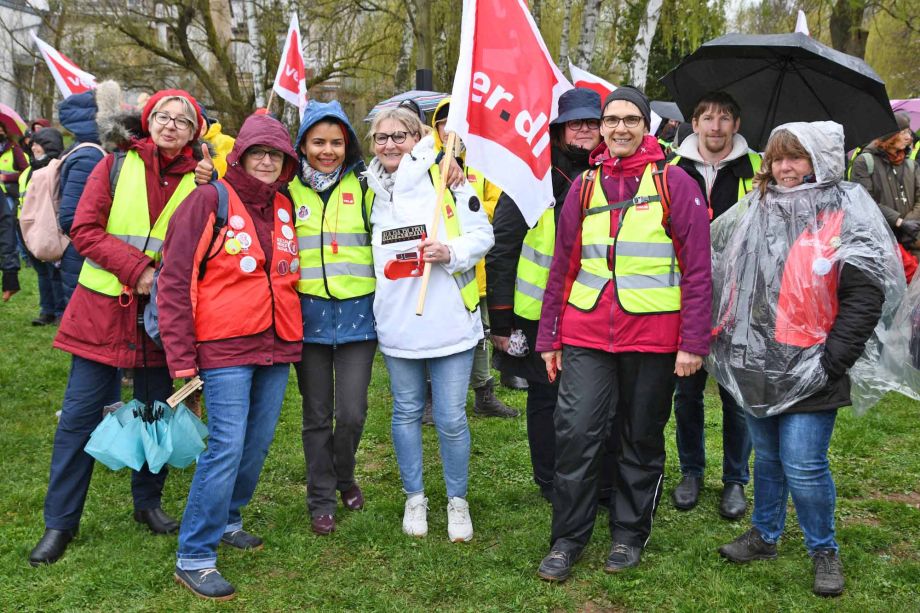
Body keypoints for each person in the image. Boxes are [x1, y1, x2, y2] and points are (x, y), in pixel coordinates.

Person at [709, 121, 900, 598]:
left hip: (815, 363)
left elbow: (865, 292)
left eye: (796, 157)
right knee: (768, 459)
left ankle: (823, 549)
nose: (784, 168)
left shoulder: (846, 208)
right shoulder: (757, 208)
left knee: (804, 464)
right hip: (757, 359)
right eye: (777, 158)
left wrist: (833, 360)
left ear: (820, 161)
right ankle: (765, 534)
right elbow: (727, 269)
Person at [534, 87, 711, 581]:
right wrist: (550, 337)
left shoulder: (676, 183)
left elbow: (698, 271)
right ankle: (567, 540)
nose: (619, 129)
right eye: (611, 120)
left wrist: (693, 343)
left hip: (653, 337)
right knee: (575, 435)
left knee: (640, 438)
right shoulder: (584, 186)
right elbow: (561, 267)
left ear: (646, 125)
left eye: (631, 120)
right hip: (587, 332)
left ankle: (628, 535)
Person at [29, 89, 206, 567]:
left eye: (183, 120)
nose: (172, 126)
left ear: (195, 132)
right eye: (163, 117)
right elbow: (84, 229)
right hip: (103, 311)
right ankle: (60, 522)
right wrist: (140, 270)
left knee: (154, 411)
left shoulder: (203, 181)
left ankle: (147, 503)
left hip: (159, 319)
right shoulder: (114, 164)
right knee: (80, 417)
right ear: (148, 122)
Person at [158, 113, 301, 601]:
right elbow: (174, 282)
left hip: (276, 345)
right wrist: (181, 359)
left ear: (286, 162)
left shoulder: (283, 204)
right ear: (238, 155)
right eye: (258, 151)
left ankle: (227, 519)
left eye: (276, 154)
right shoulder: (207, 199)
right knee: (224, 447)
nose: (266, 160)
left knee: (256, 445)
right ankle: (194, 555)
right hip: (222, 349)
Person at [365, 107, 493, 542]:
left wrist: (451, 252)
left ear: (418, 135)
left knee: (452, 417)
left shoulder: (449, 177)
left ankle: (457, 501)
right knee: (404, 413)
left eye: (399, 136)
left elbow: (483, 235)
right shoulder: (368, 189)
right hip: (398, 323)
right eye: (381, 138)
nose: (389, 145)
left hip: (449, 320)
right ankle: (414, 496)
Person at [487, 87, 606, 501]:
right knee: (546, 398)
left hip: (597, 309)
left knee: (594, 400)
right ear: (559, 131)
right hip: (540, 313)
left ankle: (593, 477)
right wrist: (501, 321)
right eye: (577, 124)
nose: (586, 131)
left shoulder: (613, 172)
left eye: (593, 122)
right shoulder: (532, 180)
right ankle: (549, 479)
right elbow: (502, 249)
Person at [667, 91, 761, 518]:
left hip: (739, 301)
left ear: (736, 125)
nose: (716, 126)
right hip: (685, 299)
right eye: (707, 117)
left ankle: (735, 480)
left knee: (735, 396)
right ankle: (691, 471)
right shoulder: (671, 171)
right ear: (694, 123)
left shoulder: (757, 170)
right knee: (686, 392)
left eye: (725, 117)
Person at [287, 99, 376, 536]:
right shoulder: (286, 190)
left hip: (360, 317)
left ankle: (345, 474)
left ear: (348, 144)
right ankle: (321, 496)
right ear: (302, 144)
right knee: (316, 415)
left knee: (353, 413)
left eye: (336, 142)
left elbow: (415, 180)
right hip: (308, 320)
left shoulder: (366, 183)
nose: (328, 150)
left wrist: (447, 166)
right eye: (318, 141)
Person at [431, 98, 518, 418]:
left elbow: (496, 209)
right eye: (444, 125)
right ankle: (430, 397)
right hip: (436, 270)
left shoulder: (483, 168)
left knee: (480, 331)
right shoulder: (423, 166)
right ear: (437, 129)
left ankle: (484, 393)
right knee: (434, 329)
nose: (451, 132)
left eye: (459, 126)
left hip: (475, 271)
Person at [57, 81, 134, 306]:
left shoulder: (88, 150)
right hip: (83, 254)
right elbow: (71, 216)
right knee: (83, 320)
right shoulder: (91, 156)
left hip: (84, 250)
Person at [851, 111, 920, 257]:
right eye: (903, 132)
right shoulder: (864, 163)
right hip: (882, 245)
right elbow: (865, 202)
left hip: (912, 242)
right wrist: (898, 222)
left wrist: (908, 224)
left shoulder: (911, 165)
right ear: (889, 135)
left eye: (909, 132)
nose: (909, 137)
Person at [19, 128, 66, 325]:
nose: (34, 148)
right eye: (33, 144)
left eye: (39, 143)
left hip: (50, 228)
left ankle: (60, 312)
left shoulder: (58, 168)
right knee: (42, 273)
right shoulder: (30, 169)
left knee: (55, 273)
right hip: (28, 228)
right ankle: (47, 310)